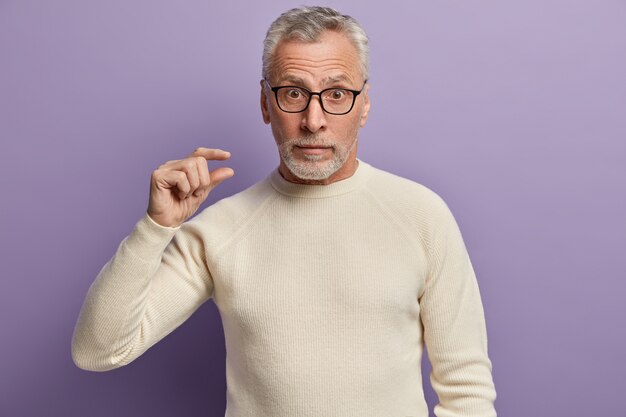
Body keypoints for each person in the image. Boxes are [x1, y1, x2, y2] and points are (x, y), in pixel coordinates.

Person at [72, 6, 497, 417]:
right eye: (293, 93)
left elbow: (467, 388)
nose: (314, 120)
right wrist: (155, 228)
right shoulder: (219, 231)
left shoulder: (422, 216)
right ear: (264, 104)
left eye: (336, 94)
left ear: (364, 105)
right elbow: (98, 350)